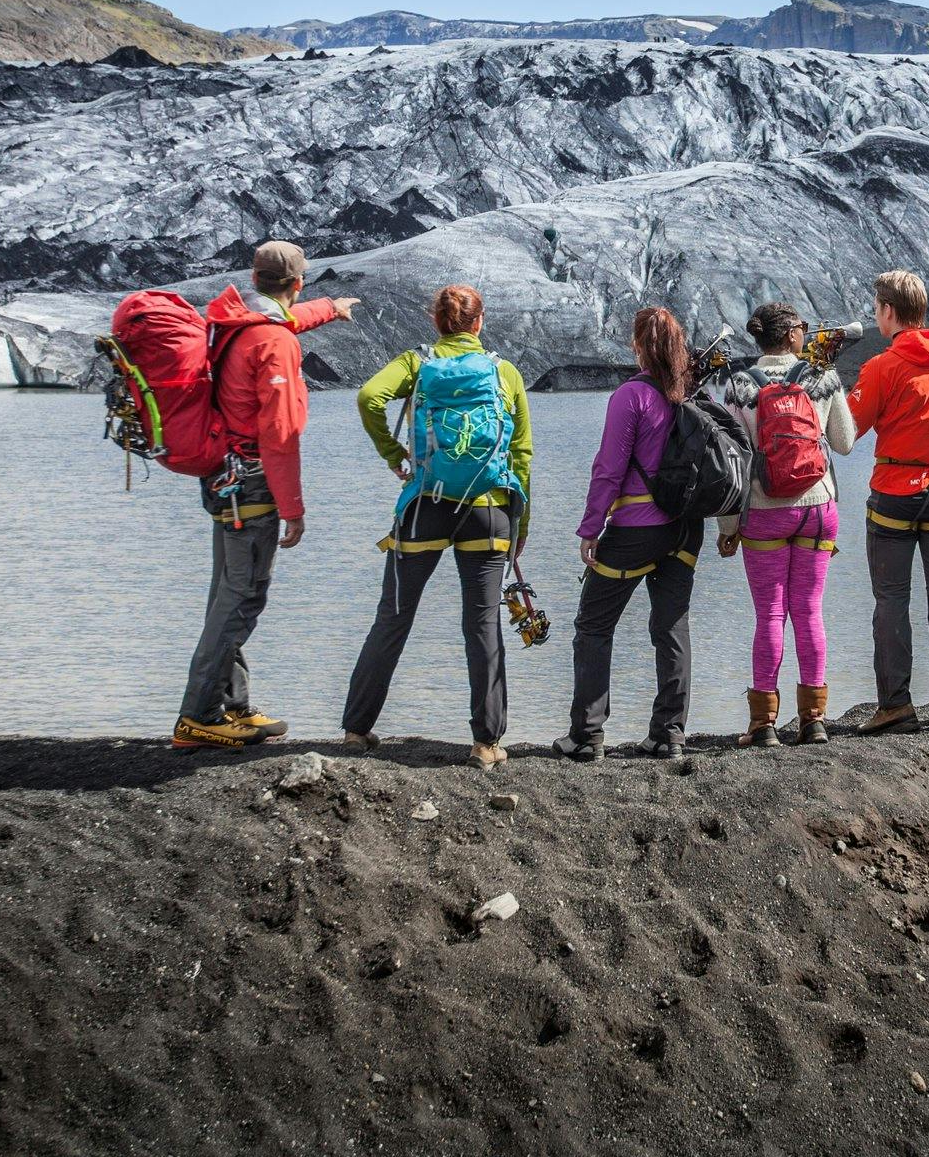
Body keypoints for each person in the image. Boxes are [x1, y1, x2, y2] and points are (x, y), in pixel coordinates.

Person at [174, 240, 358, 748]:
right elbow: (280, 433)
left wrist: (329, 310)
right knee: (242, 596)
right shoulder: (274, 342)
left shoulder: (236, 322)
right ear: (297, 282)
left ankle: (231, 705)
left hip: (221, 478)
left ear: (254, 280)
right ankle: (199, 715)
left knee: (226, 594)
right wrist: (293, 510)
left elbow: (281, 324)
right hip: (251, 485)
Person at [342, 283, 534, 769]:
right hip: (488, 508)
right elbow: (522, 455)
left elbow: (369, 397)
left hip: (425, 503)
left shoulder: (417, 364)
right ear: (479, 322)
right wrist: (520, 521)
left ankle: (356, 729)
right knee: (482, 622)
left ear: (436, 322)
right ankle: (486, 743)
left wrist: (393, 455)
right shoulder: (504, 372)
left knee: (394, 615)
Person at [554, 308, 703, 761]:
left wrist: (590, 527)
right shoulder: (689, 393)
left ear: (637, 345)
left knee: (594, 626)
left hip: (635, 530)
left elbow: (609, 469)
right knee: (671, 627)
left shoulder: (630, 396)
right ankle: (668, 735)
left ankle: (586, 736)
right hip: (684, 530)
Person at [710, 301, 857, 746]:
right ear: (793, 333)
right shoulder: (821, 377)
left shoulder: (738, 385)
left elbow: (730, 462)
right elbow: (845, 443)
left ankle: (763, 724)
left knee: (770, 614)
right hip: (817, 509)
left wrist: (727, 527)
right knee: (809, 611)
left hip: (763, 512)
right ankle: (814, 719)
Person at [847, 269, 929, 735]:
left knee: (891, 600)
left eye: (876, 307)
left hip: (894, 493)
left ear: (888, 311)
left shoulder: (881, 367)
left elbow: (847, 431)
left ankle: (895, 705)